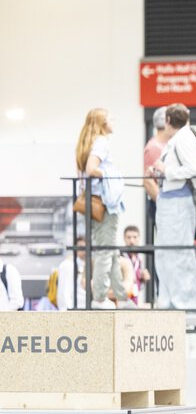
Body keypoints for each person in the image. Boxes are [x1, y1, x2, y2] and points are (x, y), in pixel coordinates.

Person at [148, 103, 196, 309]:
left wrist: (167, 170)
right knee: (166, 254)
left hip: (177, 204)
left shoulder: (184, 139)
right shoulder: (179, 139)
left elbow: (194, 169)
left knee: (179, 254)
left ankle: (185, 303)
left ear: (168, 121)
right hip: (170, 201)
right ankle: (169, 300)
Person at [75, 107, 127, 309]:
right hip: (105, 204)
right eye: (110, 119)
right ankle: (99, 297)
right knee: (106, 251)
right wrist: (108, 175)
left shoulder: (86, 143)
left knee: (111, 250)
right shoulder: (102, 142)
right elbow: (91, 169)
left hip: (93, 202)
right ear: (103, 123)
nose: (113, 121)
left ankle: (122, 297)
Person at [143, 106, 168, 203]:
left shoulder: (167, 144)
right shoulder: (154, 147)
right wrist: (162, 203)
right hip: (161, 202)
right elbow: (148, 180)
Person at [122, 225, 151, 305]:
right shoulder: (120, 258)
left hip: (135, 301)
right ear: (124, 238)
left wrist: (143, 279)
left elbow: (139, 286)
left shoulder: (140, 258)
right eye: (128, 237)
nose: (132, 241)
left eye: (135, 237)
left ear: (139, 238)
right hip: (122, 300)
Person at [57, 237, 88, 310]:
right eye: (80, 247)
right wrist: (68, 311)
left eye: (85, 247)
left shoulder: (89, 265)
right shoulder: (68, 265)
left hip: (86, 310)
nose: (83, 251)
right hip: (73, 310)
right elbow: (64, 291)